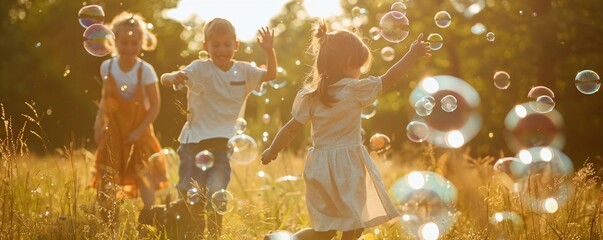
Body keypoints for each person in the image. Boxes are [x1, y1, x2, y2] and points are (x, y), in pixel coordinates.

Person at [261, 21, 431, 240]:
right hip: (348, 167)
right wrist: (411, 54)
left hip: (319, 168)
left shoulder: (311, 96)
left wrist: (273, 150)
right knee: (355, 223)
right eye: (359, 66)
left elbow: (291, 128)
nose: (360, 72)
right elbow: (390, 78)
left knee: (326, 229)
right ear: (349, 63)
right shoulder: (354, 90)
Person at [160, 18, 277, 238]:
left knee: (216, 192)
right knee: (189, 189)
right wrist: (173, 76)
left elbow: (271, 75)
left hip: (223, 143)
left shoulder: (244, 71)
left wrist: (269, 51)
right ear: (206, 46)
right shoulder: (199, 68)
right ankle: (192, 230)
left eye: (226, 44)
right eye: (215, 45)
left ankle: (214, 235)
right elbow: (164, 79)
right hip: (193, 141)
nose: (221, 50)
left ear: (236, 45)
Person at [91, 11, 168, 227]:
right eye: (124, 43)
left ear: (142, 43)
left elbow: (154, 107)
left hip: (140, 130)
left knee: (144, 175)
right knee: (108, 176)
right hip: (114, 130)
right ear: (114, 42)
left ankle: (148, 219)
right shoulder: (107, 66)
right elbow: (106, 100)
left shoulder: (146, 70)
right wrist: (99, 123)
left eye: (134, 43)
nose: (129, 48)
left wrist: (138, 131)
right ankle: (110, 223)